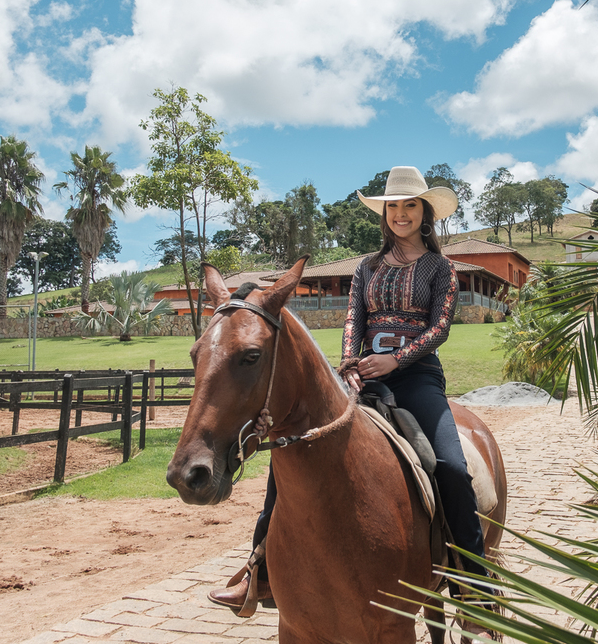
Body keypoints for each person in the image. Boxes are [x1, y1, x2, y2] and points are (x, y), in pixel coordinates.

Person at [209, 165, 488, 614]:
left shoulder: (441, 268)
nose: (400, 214)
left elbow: (439, 328)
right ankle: (259, 570)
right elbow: (354, 319)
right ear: (385, 213)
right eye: (393, 206)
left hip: (417, 376)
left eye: (409, 206)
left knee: (452, 468)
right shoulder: (366, 267)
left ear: (424, 212)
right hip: (362, 376)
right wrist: (349, 364)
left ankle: (475, 588)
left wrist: (397, 359)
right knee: (291, 447)